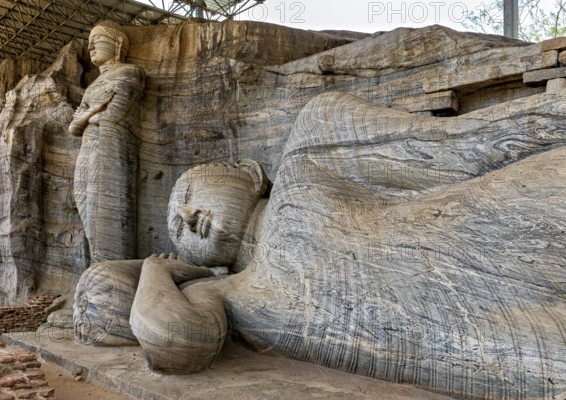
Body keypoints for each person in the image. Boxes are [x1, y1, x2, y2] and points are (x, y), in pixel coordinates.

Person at [75, 92, 566, 398]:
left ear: (249, 173)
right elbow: (171, 343)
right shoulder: (224, 296)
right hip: (514, 339)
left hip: (518, 216)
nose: (187, 216)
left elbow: (461, 144)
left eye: (188, 193)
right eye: (177, 230)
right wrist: (156, 271)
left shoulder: (311, 149)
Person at [69, 21, 145, 263]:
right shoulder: (93, 86)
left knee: (105, 211)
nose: (90, 46)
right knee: (85, 207)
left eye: (97, 40)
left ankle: (112, 271)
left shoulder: (130, 72)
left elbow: (114, 115)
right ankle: (97, 267)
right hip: (87, 149)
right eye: (89, 43)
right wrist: (92, 113)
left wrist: (88, 115)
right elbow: (73, 127)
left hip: (111, 148)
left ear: (118, 44)